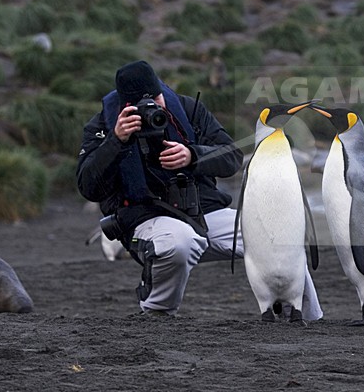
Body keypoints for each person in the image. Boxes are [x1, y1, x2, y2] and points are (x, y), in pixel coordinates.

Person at [77, 60, 323, 319]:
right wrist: (117, 141)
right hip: (146, 218)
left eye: (156, 99)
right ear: (126, 106)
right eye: (140, 105)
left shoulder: (186, 109)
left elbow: (231, 158)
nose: (152, 108)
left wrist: (193, 156)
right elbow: (88, 187)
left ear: (161, 88)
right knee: (180, 241)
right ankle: (157, 310)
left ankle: (305, 313)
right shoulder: (103, 127)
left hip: (203, 210)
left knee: (277, 234)